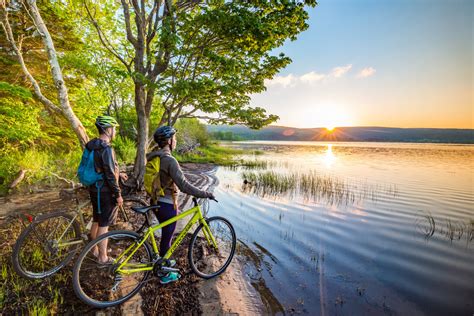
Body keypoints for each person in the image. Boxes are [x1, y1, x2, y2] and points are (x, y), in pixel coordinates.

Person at [147, 126, 215, 284]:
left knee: (165, 233)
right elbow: (184, 185)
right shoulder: (170, 160)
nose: (176, 141)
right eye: (174, 139)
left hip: (155, 201)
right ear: (169, 141)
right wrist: (205, 193)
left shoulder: (154, 157)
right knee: (167, 236)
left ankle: (165, 262)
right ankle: (164, 274)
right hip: (167, 204)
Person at [85, 115, 123, 264]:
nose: (115, 131)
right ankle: (103, 257)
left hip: (94, 188)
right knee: (104, 224)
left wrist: (121, 173)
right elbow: (109, 173)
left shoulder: (92, 145)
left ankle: (94, 250)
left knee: (96, 219)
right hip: (105, 191)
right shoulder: (106, 148)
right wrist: (118, 194)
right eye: (114, 129)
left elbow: (100, 167)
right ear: (108, 129)